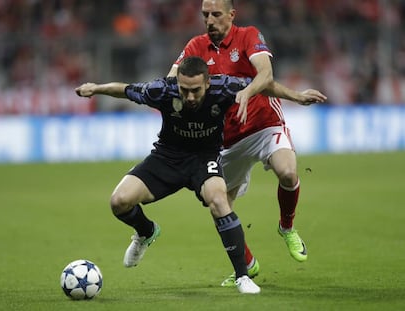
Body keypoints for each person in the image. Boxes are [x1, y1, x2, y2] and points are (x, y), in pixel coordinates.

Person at [167, 0, 327, 287]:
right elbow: (171, 79)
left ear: (231, 15)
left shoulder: (249, 35)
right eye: (206, 15)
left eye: (216, 14)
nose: (210, 20)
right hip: (226, 139)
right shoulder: (195, 46)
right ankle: (247, 264)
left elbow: (266, 75)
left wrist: (248, 91)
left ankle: (286, 226)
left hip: (264, 124)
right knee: (216, 204)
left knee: (288, 172)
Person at [75, 56, 262, 294]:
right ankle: (146, 232)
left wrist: (296, 96)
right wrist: (96, 89)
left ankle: (242, 277)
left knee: (218, 199)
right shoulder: (162, 90)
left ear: (207, 83)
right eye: (185, 90)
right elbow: (125, 89)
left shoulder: (225, 86)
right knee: (119, 202)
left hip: (204, 158)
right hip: (167, 157)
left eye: (195, 90)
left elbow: (264, 82)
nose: (190, 97)